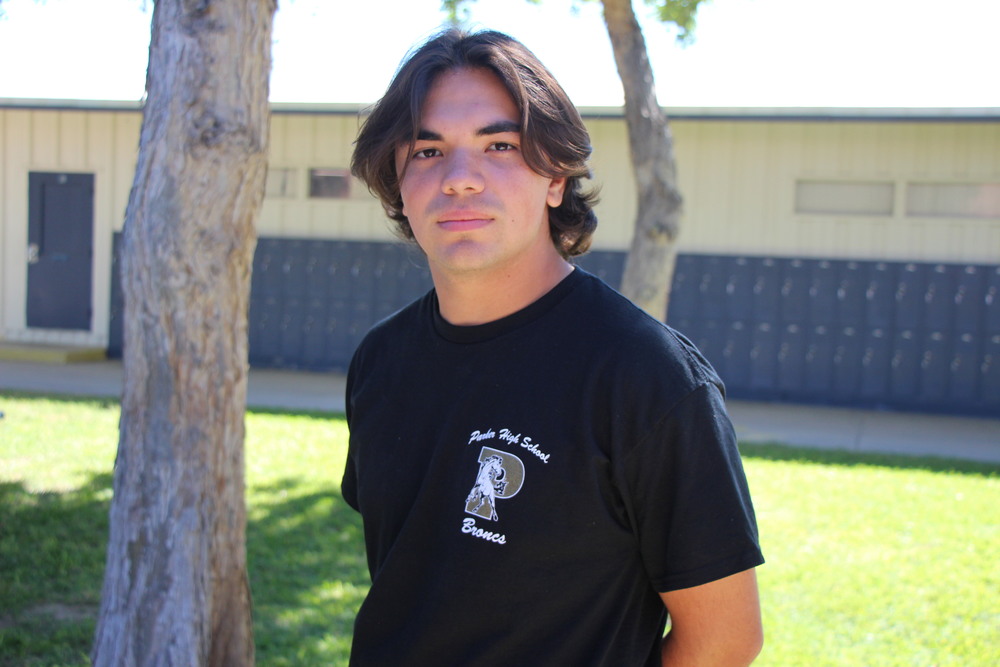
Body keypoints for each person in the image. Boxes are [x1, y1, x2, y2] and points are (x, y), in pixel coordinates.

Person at [341, 28, 764, 666]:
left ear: (556, 179)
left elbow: (726, 639)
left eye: (500, 145)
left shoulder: (644, 377)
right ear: (397, 182)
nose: (459, 179)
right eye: (428, 151)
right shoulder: (381, 359)